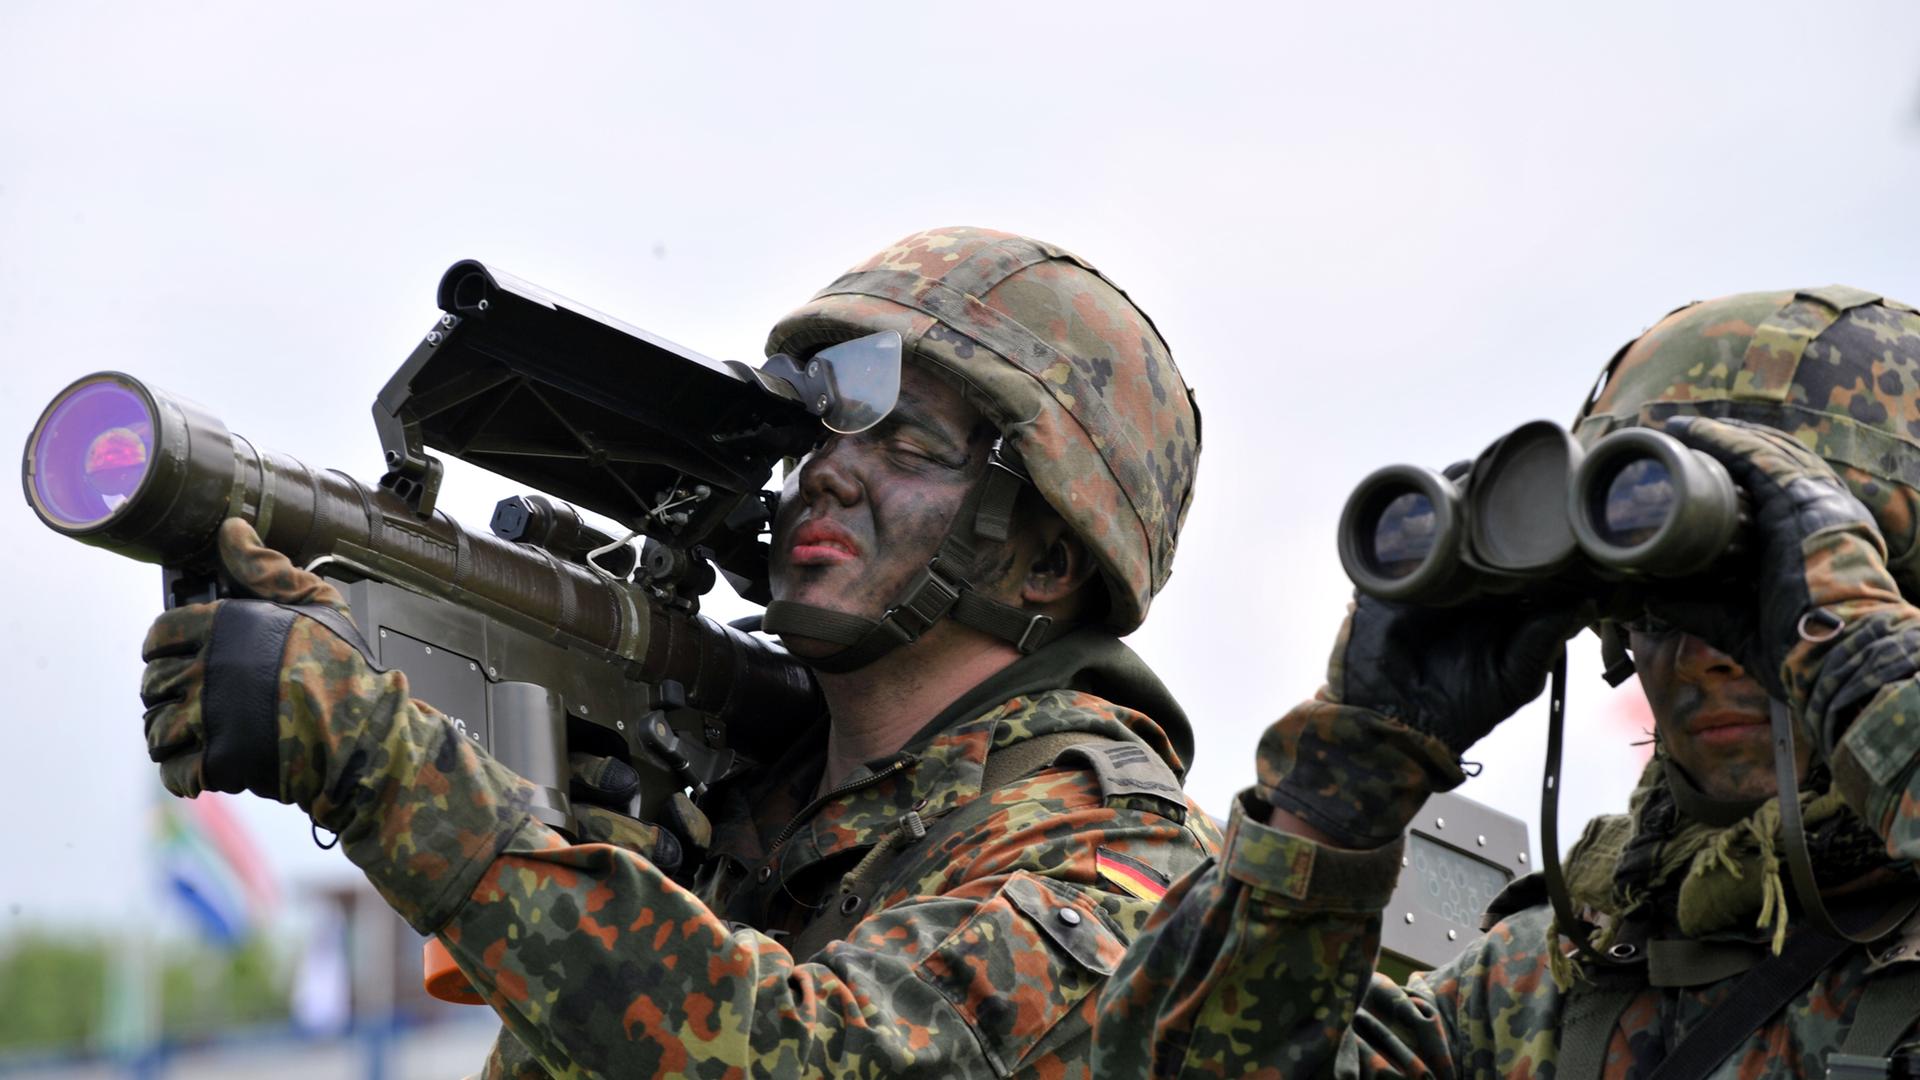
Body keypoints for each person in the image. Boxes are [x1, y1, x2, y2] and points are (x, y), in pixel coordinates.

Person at [137, 226, 1221, 1078]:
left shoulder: (1120, 858)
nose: (829, 474)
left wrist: (392, 773)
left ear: (1046, 560)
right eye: (820, 435)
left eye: (908, 444)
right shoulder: (755, 813)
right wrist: (596, 880)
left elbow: (816, 1058)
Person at [1092, 287, 1920, 1078]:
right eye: (1669, 602)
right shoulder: (1538, 985)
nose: (1711, 654)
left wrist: (1866, 680)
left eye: (1768, 598)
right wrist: (1342, 784)